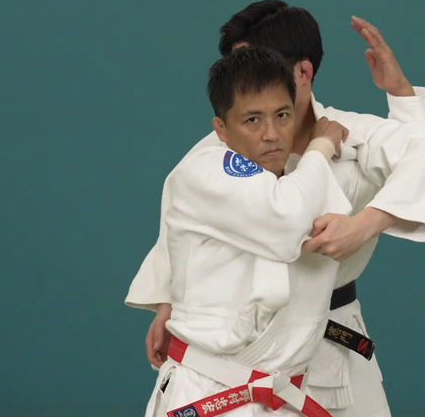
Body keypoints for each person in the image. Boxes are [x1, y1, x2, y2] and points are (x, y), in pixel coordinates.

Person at [128, 0, 425, 417]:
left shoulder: (353, 137)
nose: (247, 77)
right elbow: (184, 230)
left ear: (303, 72)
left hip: (328, 341)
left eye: (260, 63)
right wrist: (168, 299)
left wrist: (365, 224)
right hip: (229, 355)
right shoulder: (219, 149)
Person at [145, 45, 352, 417]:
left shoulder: (309, 180)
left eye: (282, 115)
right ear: (221, 129)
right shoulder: (205, 171)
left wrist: (405, 99)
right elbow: (285, 222)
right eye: (252, 120)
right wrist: (321, 146)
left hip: (287, 396)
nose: (272, 134)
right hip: (209, 392)